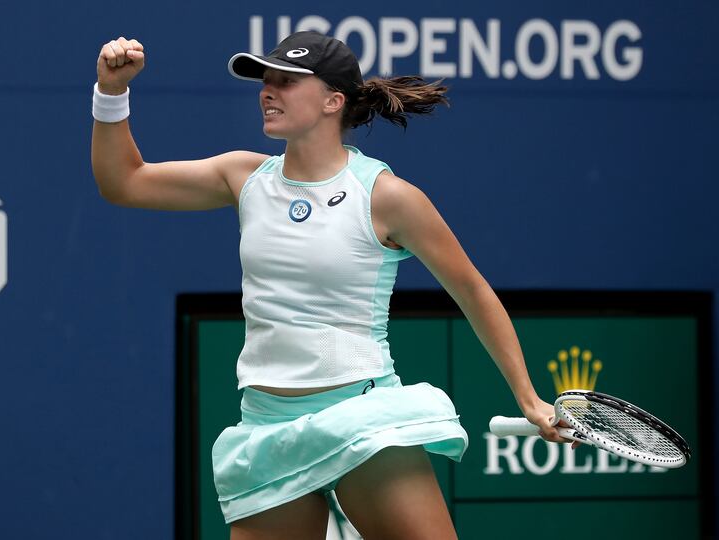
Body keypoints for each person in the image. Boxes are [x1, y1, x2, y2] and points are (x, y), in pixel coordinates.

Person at [92, 31, 571, 540]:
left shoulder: (387, 196)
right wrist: (111, 92)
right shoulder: (243, 176)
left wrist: (528, 397)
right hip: (266, 429)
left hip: (360, 417)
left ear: (332, 100)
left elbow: (473, 291)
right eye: (265, 80)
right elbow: (124, 182)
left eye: (287, 81)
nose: (268, 91)